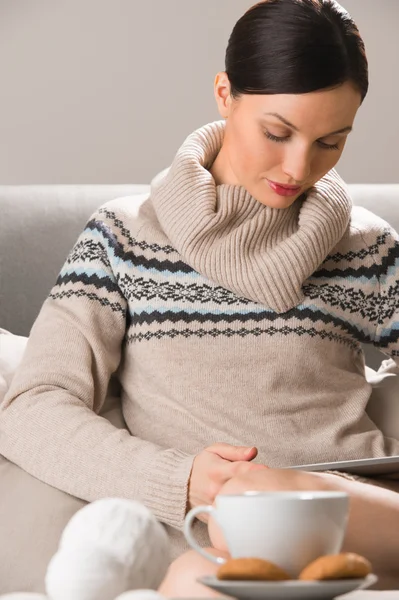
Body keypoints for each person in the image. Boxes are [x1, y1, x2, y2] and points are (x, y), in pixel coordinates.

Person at [0, 0, 398, 594]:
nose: (299, 167)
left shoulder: (367, 246)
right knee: (192, 577)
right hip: (213, 535)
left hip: (360, 519)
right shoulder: (123, 237)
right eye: (277, 132)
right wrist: (183, 479)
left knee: (254, 495)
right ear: (223, 94)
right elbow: (31, 409)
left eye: (331, 143)